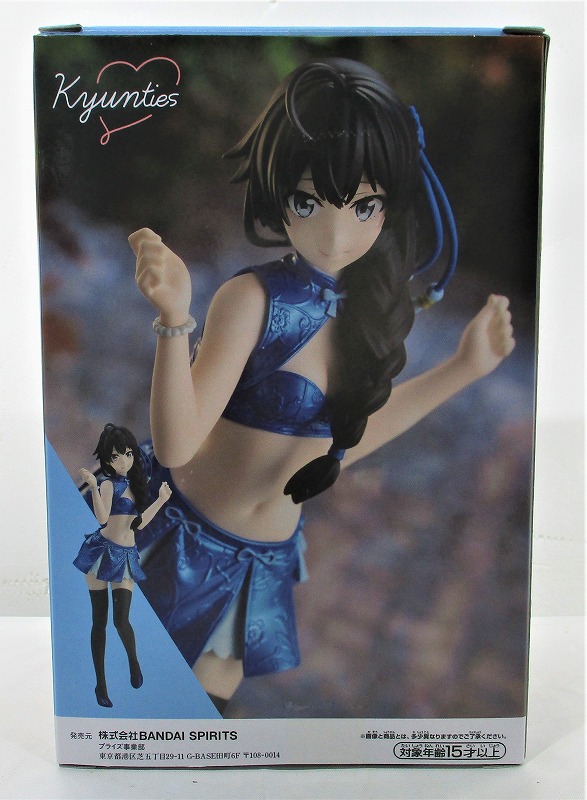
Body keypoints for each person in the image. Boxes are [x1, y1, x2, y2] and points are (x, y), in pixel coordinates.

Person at [127, 58, 514, 714]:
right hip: (178, 543)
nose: (336, 235)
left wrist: (461, 369)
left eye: (364, 206)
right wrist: (174, 321)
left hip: (259, 565)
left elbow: (343, 445)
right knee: (130, 701)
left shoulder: (368, 316)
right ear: (280, 193)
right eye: (309, 201)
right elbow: (176, 446)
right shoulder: (254, 300)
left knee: (203, 719)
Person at [74, 423, 171, 707]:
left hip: (126, 555)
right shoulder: (107, 484)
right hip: (100, 552)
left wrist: (161, 501)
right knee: (99, 621)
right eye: (116, 456)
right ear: (108, 459)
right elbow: (102, 519)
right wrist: (94, 487)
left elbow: (139, 524)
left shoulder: (138, 486)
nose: (123, 461)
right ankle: (101, 685)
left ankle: (134, 663)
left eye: (128, 454)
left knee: (122, 620)